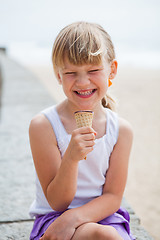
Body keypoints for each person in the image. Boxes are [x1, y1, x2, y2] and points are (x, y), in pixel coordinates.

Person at [29, 21, 135, 240]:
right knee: (102, 236)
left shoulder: (121, 130)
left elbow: (113, 197)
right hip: (54, 217)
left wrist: (73, 219)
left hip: (102, 215)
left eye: (93, 70)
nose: (82, 81)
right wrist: (71, 158)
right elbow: (57, 202)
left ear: (112, 70)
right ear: (58, 75)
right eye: (71, 73)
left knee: (105, 233)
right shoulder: (44, 126)